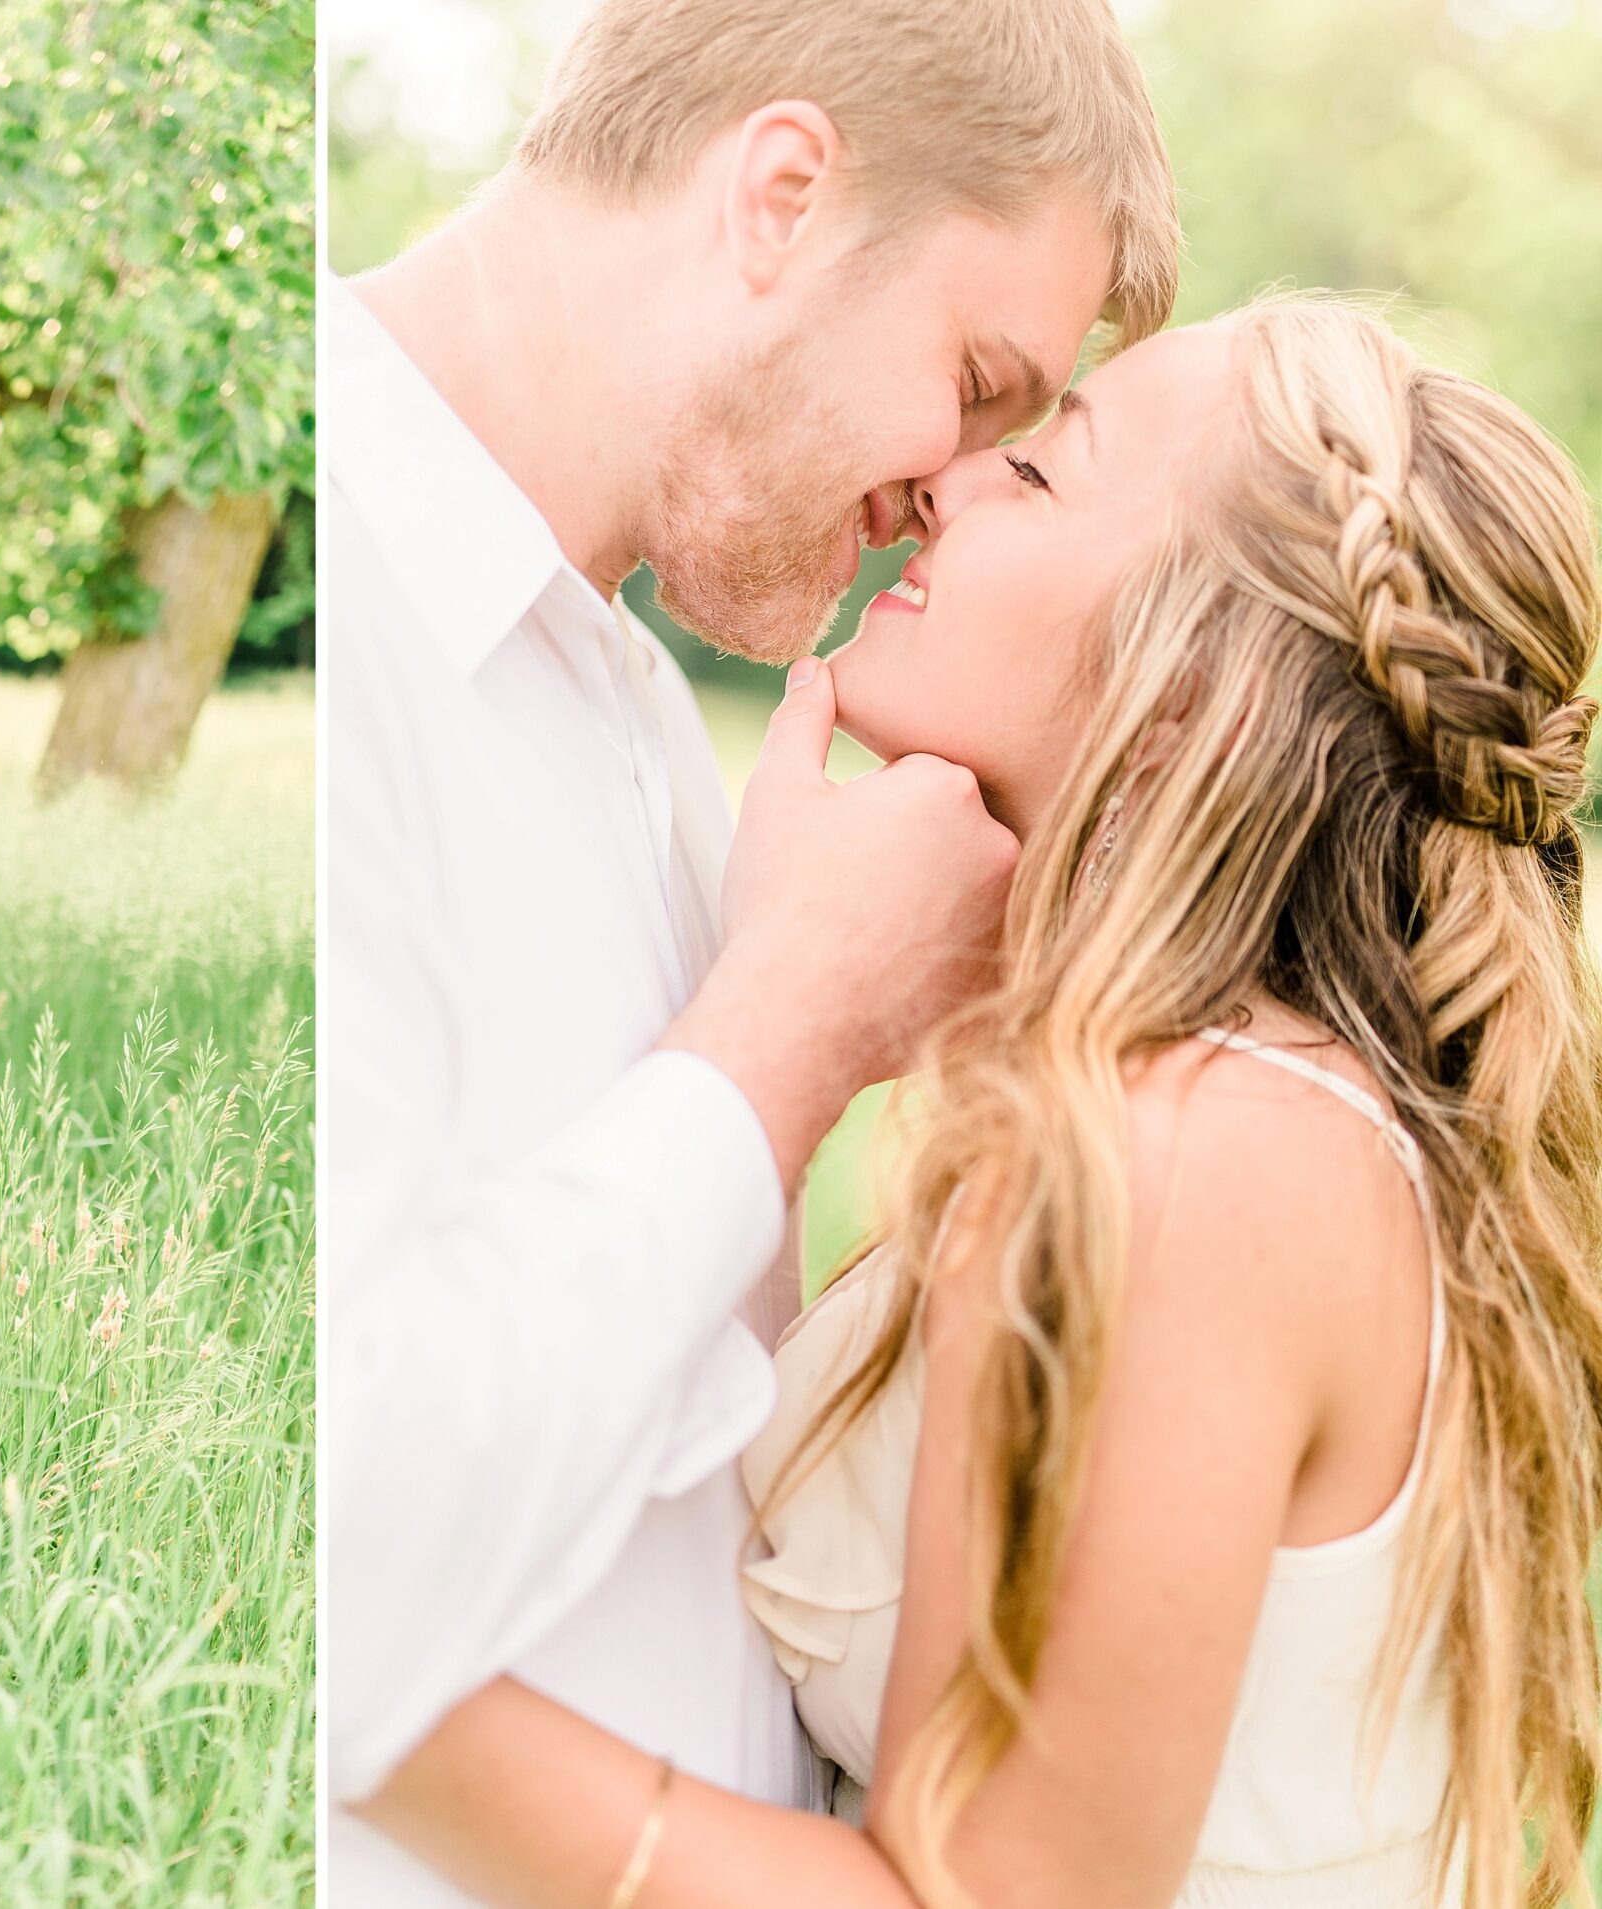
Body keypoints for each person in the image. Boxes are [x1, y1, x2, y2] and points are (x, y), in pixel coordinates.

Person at [361, 298, 1602, 1909]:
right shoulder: (1231, 1119)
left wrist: (383, 1671)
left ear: (1187, 692)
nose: (948, 478)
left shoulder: (1189, 1165)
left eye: (1045, 468)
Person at [325, 0, 1178, 1898]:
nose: (945, 481)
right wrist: (790, 1031)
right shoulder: (353, 631)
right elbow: (312, 1519)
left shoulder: (640, 713)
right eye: (975, 377)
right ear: (780, 196)